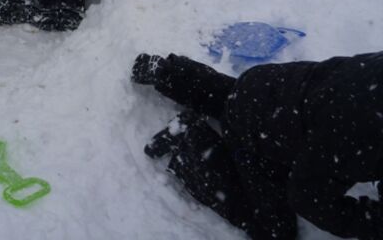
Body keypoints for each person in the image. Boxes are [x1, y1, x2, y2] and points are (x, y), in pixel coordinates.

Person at [131, 51, 383, 239]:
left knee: (242, 100)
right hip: (258, 133)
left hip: (268, 83)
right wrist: (373, 222)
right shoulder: (359, 136)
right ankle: (190, 141)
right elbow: (308, 198)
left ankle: (167, 72)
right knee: (276, 231)